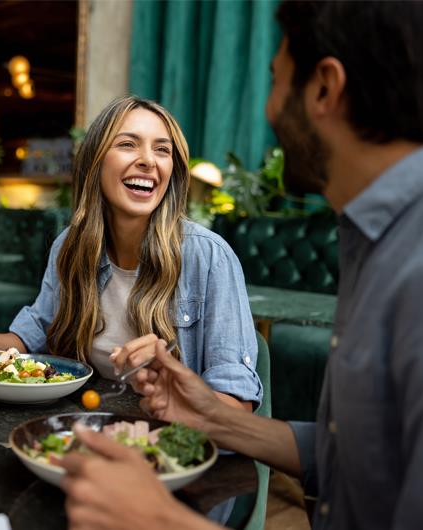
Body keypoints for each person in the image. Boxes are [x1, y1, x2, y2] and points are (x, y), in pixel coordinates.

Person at [59, 2, 423, 529]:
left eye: (275, 81)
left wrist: (163, 521)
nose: (269, 110)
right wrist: (209, 415)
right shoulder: (372, 242)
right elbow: (365, 457)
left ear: (323, 88)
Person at [0, 96, 262, 411]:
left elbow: (237, 404)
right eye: (128, 144)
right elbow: (32, 339)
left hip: (172, 445)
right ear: (95, 162)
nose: (148, 160)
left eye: (162, 150)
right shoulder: (70, 246)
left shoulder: (209, 257)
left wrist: (170, 387)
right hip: (87, 426)